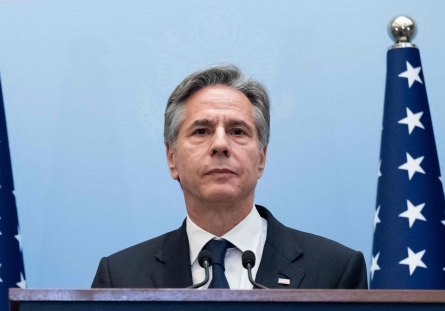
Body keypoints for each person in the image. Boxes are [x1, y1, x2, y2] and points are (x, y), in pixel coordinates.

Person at [91, 64, 367, 289]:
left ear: (261, 158)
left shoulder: (335, 271)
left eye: (238, 131)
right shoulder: (121, 278)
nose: (220, 144)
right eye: (201, 131)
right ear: (171, 158)